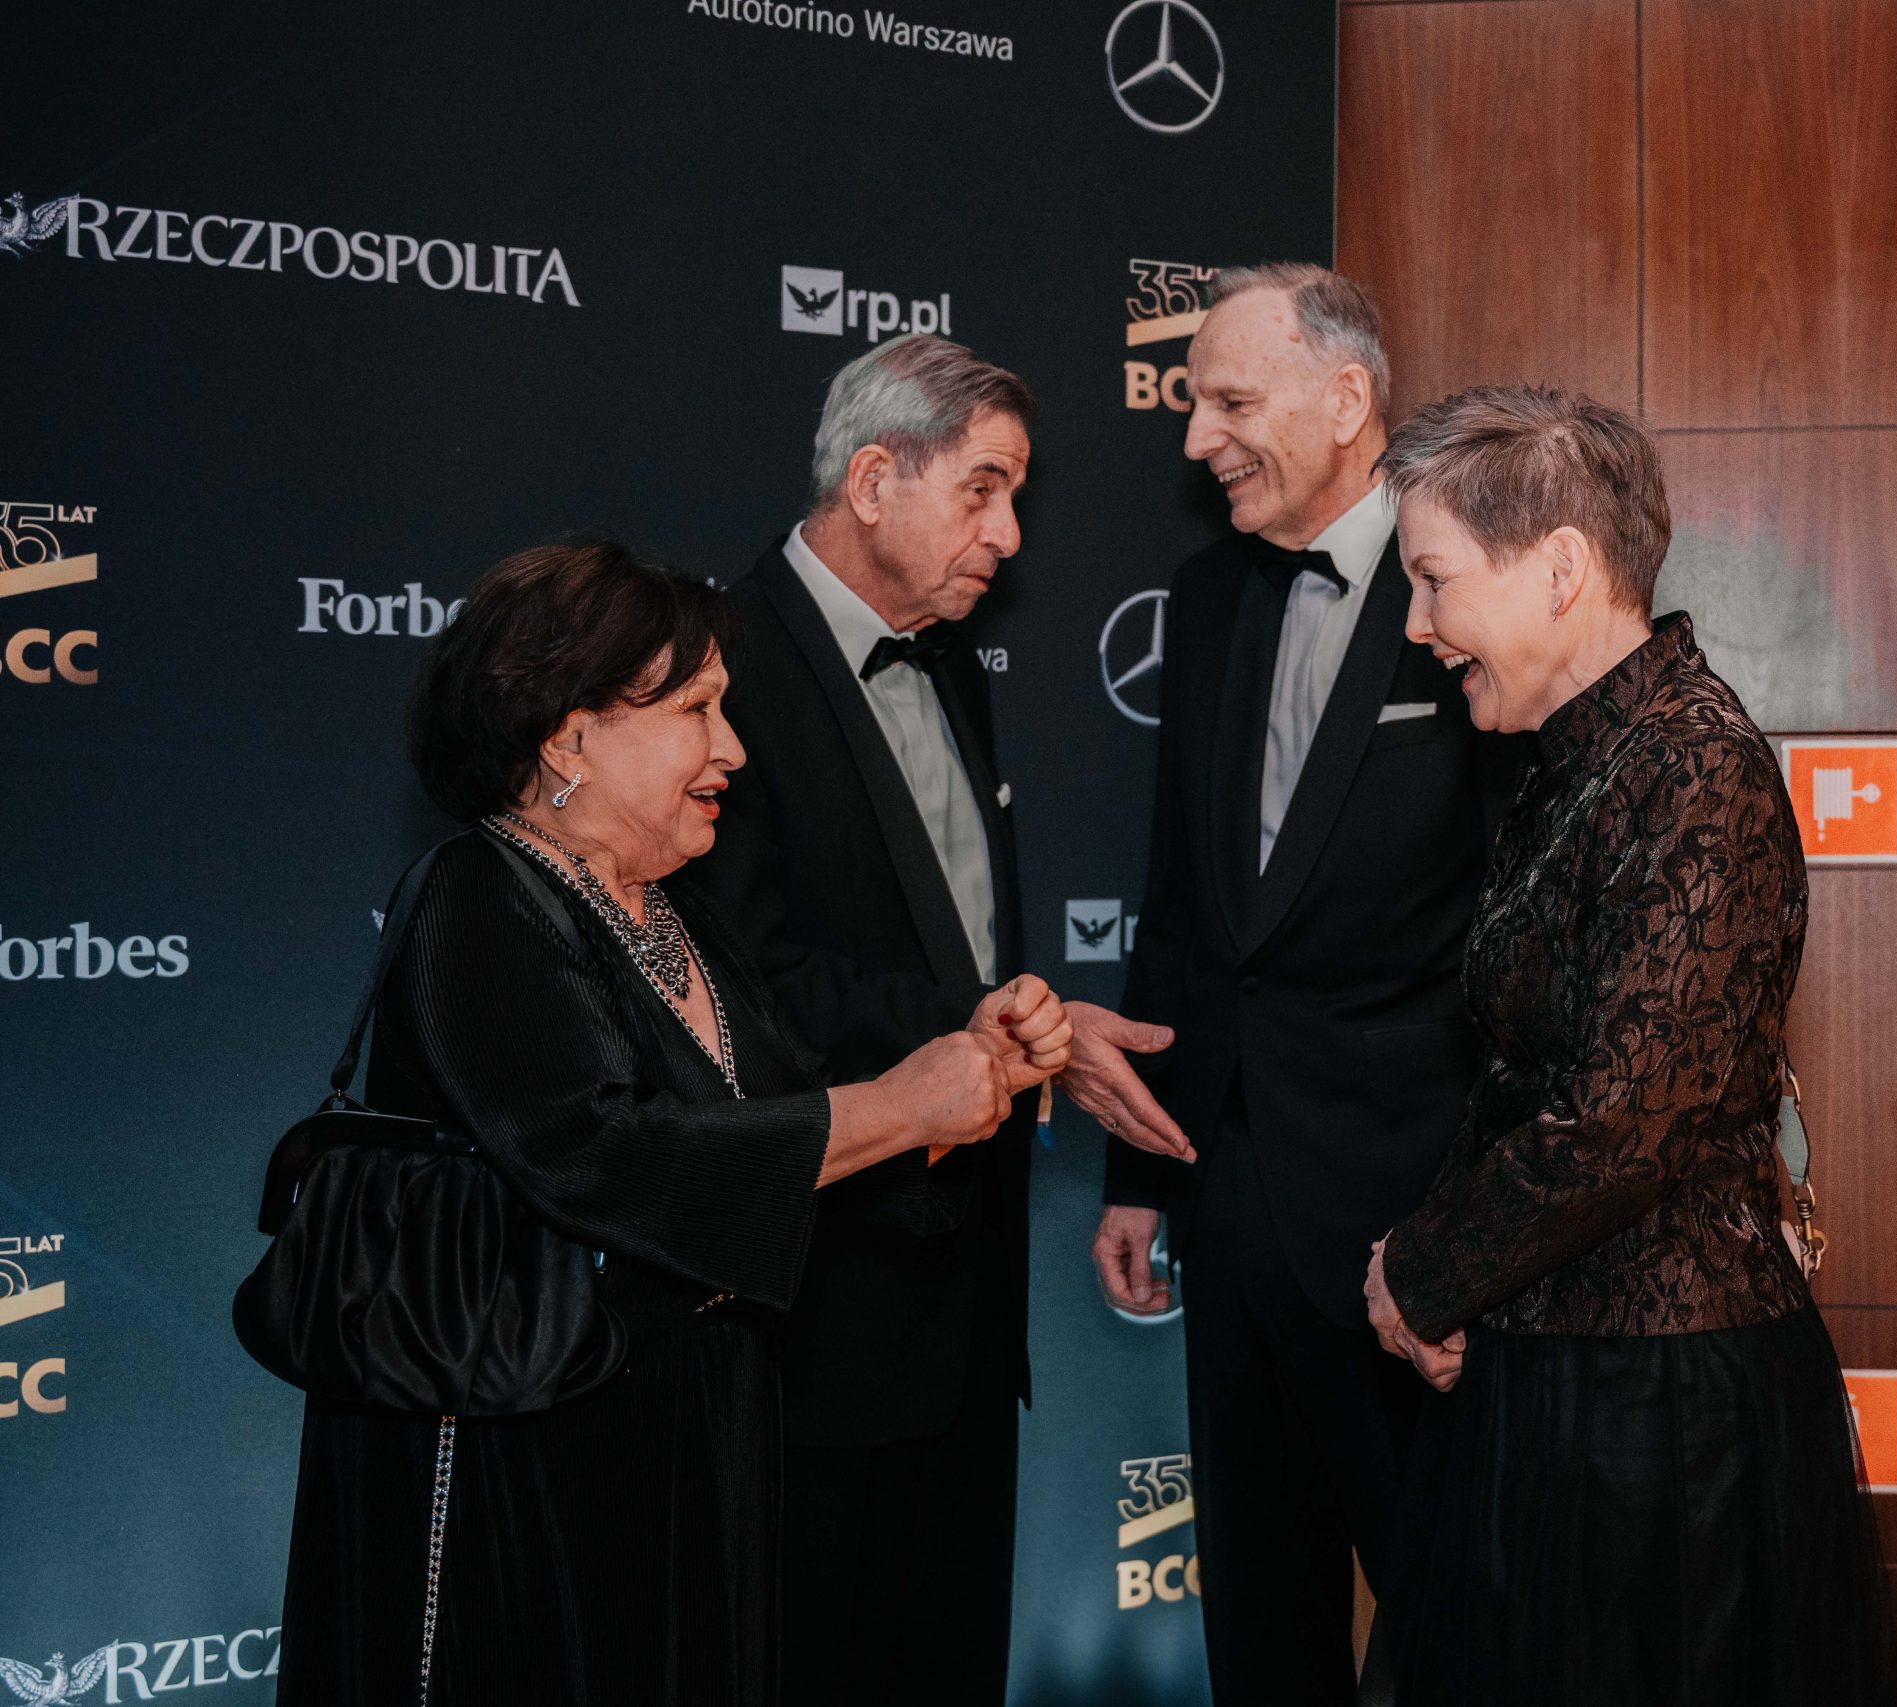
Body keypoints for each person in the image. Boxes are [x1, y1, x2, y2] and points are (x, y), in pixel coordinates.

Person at [276, 541, 1071, 1707]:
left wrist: (967, 1086)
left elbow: (792, 1130)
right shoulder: (477, 896)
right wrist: (900, 1104)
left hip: (698, 1438)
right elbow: (606, 1156)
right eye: (697, 710)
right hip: (531, 1462)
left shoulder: (676, 914)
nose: (733, 749)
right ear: (571, 737)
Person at [1360, 385, 1897, 1704]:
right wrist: (1436, 1278)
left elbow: (1625, 1120)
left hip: (1662, 1417)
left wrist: (1419, 1273)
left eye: (1433, 578)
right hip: (1551, 1379)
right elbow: (1516, 1082)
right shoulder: (1569, 763)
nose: (1416, 624)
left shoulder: (1694, 764)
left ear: (1558, 569)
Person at [685, 334, 1192, 1706]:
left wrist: (1020, 1031)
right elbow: (744, 984)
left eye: (1013, 495)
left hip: (969, 1292)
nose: (1010, 535)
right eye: (983, 491)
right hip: (816, 1305)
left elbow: (960, 937)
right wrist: (997, 1027)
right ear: (872, 481)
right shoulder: (719, 668)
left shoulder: (953, 661)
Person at [1095, 265, 1513, 1706]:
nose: (1195, 438)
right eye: (1191, 403)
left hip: (1411, 1220)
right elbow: (1180, 903)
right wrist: (1135, 1168)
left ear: (1346, 401)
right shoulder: (1206, 595)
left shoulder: (1468, 582)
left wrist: (1483, 1232)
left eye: (1229, 401)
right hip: (1224, 1191)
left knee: (1451, 1618)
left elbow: (1523, 922)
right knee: (1262, 1622)